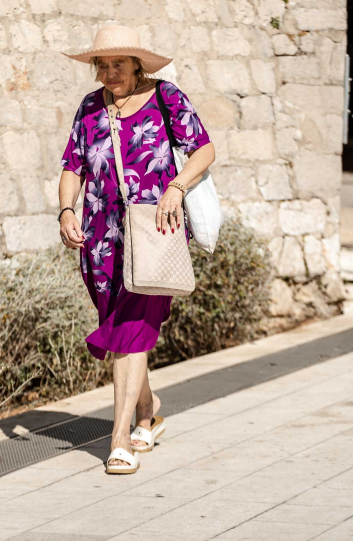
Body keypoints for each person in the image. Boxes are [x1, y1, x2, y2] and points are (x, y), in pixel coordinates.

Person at [57, 25, 215, 475]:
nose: (110, 73)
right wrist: (66, 211)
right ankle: (147, 410)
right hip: (100, 239)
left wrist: (176, 187)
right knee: (123, 331)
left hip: (154, 233)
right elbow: (72, 165)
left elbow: (204, 150)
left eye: (119, 64)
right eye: (103, 65)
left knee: (128, 332)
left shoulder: (167, 98)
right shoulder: (90, 108)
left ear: (137, 65)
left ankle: (119, 439)